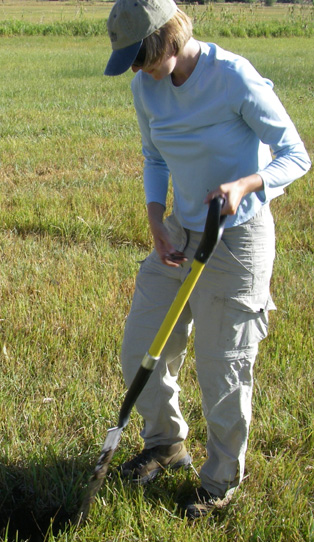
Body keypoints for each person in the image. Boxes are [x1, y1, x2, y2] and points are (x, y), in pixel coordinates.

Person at [103, 0, 311, 519]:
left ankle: (219, 483)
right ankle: (165, 444)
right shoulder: (144, 87)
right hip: (178, 233)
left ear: (167, 40)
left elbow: (296, 154)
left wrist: (246, 185)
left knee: (224, 368)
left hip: (236, 238)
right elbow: (154, 156)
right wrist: (156, 219)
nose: (135, 69)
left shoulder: (233, 78)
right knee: (141, 348)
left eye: (140, 56)